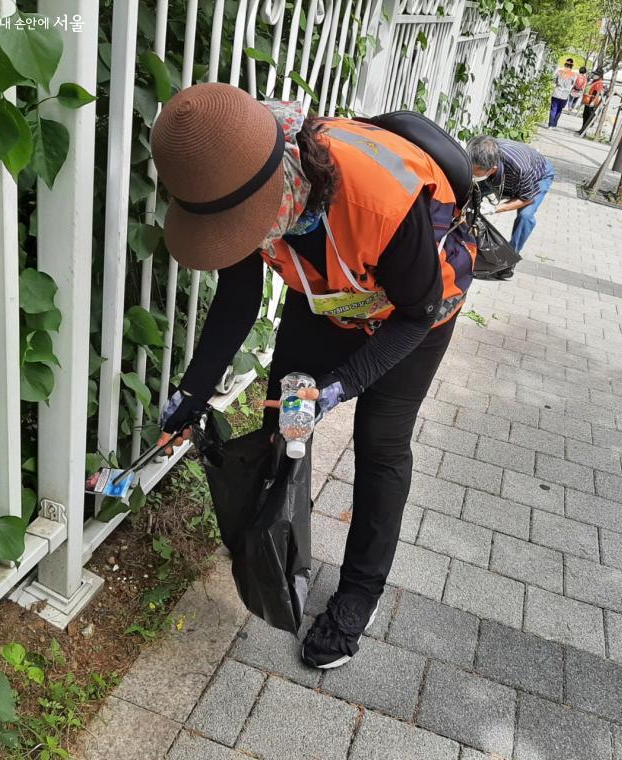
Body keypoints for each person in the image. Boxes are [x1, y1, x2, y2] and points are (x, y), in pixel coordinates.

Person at [150, 83, 476, 669]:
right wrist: (192, 393)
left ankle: (359, 593)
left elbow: (416, 313)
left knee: (380, 443)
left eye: (244, 225)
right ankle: (280, 551)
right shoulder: (235, 178)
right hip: (326, 295)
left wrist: (341, 386)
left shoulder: (381, 201)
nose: (236, 236)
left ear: (279, 195)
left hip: (415, 311)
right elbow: (238, 295)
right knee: (284, 420)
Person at [467, 135, 555, 277]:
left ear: (492, 169)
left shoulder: (520, 168)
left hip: (539, 175)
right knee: (470, 197)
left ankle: (509, 259)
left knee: (525, 216)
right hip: (504, 174)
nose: (472, 174)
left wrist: (495, 208)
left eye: (475, 172)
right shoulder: (481, 151)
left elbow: (527, 199)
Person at [549, 57, 577, 128]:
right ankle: (554, 124)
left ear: (565, 64)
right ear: (572, 66)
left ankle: (550, 125)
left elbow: (554, 81)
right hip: (565, 94)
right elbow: (572, 84)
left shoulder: (559, 72)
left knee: (553, 109)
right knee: (559, 109)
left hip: (557, 92)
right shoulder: (573, 75)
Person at [579, 70, 605, 135]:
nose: (594, 75)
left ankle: (584, 131)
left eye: (596, 74)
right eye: (594, 74)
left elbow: (597, 93)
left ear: (600, 76)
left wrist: (593, 102)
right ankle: (582, 129)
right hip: (587, 101)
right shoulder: (594, 81)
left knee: (588, 116)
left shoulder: (599, 83)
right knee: (585, 115)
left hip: (591, 102)